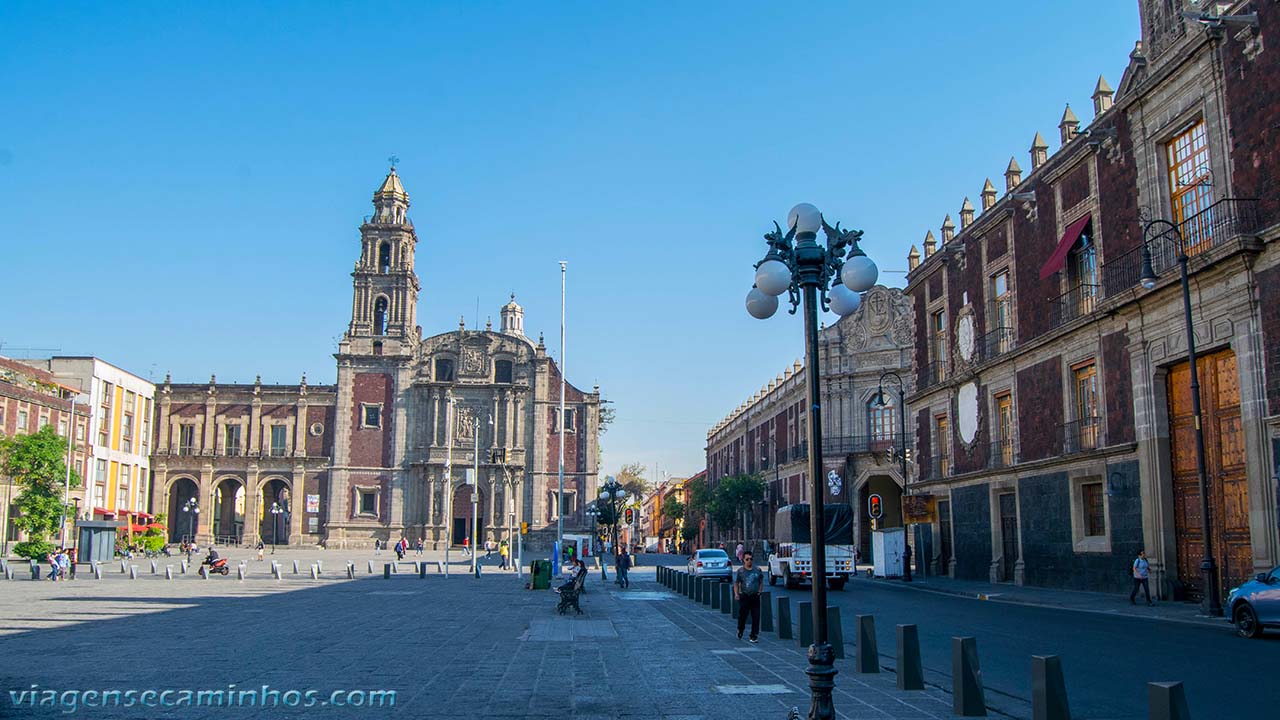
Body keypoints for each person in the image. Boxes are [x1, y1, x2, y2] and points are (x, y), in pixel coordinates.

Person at [734, 551, 764, 642]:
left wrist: (759, 591)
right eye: (747, 559)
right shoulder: (740, 571)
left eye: (751, 559)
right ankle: (740, 629)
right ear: (743, 560)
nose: (749, 561)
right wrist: (736, 594)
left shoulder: (757, 570)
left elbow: (761, 581)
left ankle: (754, 635)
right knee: (743, 615)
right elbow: (736, 583)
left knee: (756, 616)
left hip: (755, 596)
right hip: (745, 596)